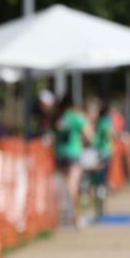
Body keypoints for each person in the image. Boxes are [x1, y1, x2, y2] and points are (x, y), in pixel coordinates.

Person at [54, 94, 94, 227]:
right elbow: (89, 135)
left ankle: (63, 216)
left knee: (63, 185)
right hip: (74, 153)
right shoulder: (77, 117)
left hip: (61, 153)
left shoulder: (60, 118)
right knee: (73, 186)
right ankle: (77, 217)